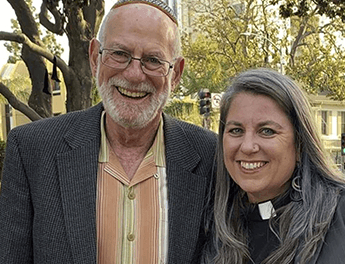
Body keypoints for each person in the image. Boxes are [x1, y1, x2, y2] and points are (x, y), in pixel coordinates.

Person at [0, 0, 217, 263]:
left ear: (176, 74)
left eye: (153, 60)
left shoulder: (212, 158)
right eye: (120, 54)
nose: (135, 75)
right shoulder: (33, 150)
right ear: (95, 58)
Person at [200, 68, 345, 264]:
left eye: (267, 131)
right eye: (236, 130)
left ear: (300, 143)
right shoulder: (212, 230)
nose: (247, 146)